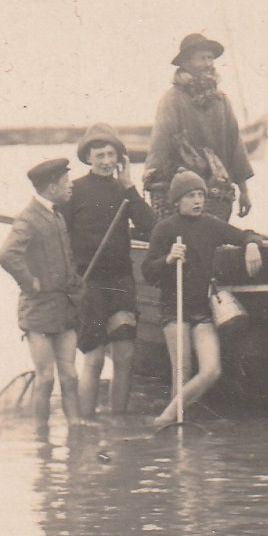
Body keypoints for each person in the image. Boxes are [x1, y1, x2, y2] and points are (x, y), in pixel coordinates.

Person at [141, 171, 262, 426]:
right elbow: (148, 272)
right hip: (174, 309)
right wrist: (168, 259)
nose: (197, 201)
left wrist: (251, 246)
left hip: (202, 310)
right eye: (190, 196)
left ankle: (166, 419)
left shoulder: (211, 225)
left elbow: (245, 235)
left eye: (200, 195)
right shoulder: (165, 229)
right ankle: (177, 428)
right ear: (177, 201)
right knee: (182, 374)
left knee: (211, 371)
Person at [63, 123, 156, 417]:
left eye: (111, 155)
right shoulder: (74, 191)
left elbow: (151, 228)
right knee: (94, 359)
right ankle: (85, 426)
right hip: (88, 282)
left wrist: (131, 187)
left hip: (120, 282)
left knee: (125, 354)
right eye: (99, 155)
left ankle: (118, 425)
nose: (106, 161)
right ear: (88, 157)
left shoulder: (124, 190)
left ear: (120, 159)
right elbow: (60, 237)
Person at [0, 158, 85, 426]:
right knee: (46, 378)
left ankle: (76, 428)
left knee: (70, 376)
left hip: (63, 307)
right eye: (66, 183)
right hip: (38, 310)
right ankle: (41, 437)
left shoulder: (57, 214)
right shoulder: (28, 218)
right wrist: (28, 282)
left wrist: (76, 285)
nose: (71, 187)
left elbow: (66, 257)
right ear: (51, 187)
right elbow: (7, 255)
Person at [145, 32, 254, 223]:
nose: (208, 63)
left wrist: (244, 191)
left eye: (210, 58)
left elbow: (235, 145)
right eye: (201, 58)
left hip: (216, 193)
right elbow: (159, 145)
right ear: (186, 63)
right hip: (181, 193)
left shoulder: (221, 101)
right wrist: (155, 187)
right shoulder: (172, 99)